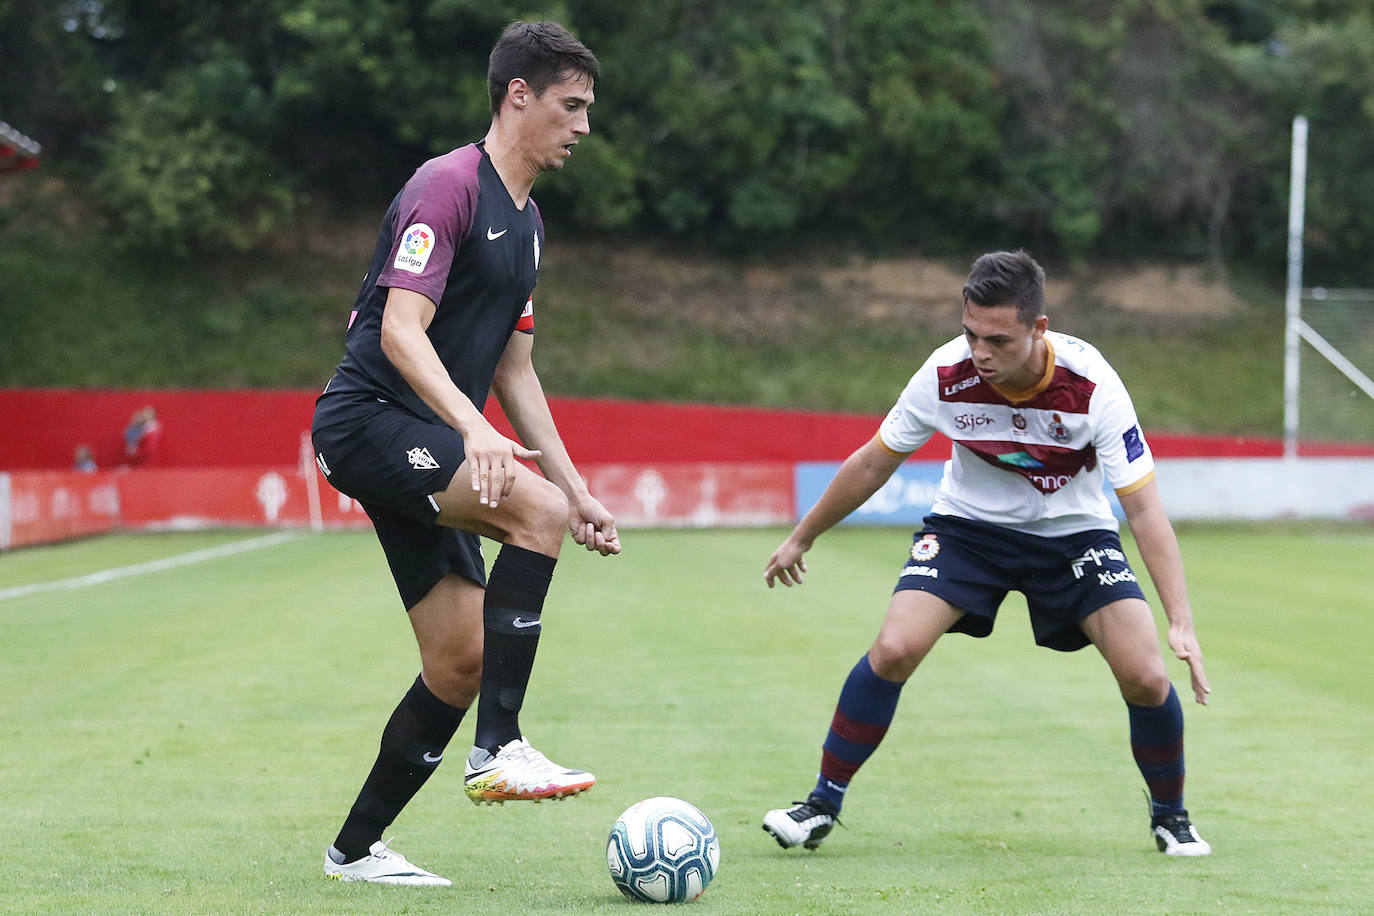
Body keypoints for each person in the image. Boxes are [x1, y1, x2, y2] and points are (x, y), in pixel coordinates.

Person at [760, 250, 1213, 858]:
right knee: (894, 647)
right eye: (971, 333)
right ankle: (820, 805)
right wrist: (802, 535)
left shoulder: (1093, 385)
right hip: (968, 529)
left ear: (1039, 328)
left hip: (1074, 535)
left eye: (998, 339)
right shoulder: (946, 372)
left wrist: (1179, 619)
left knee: (1146, 675)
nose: (980, 352)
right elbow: (873, 462)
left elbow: (1144, 509)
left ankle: (1171, 818)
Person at [310, 20, 619, 887]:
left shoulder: (528, 225)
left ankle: (355, 850)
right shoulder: (445, 187)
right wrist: (477, 434)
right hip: (366, 419)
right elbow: (403, 332)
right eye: (572, 105)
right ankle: (499, 748)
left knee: (458, 661)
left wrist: (577, 487)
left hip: (426, 435)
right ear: (518, 94)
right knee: (534, 514)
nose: (584, 126)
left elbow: (517, 372)